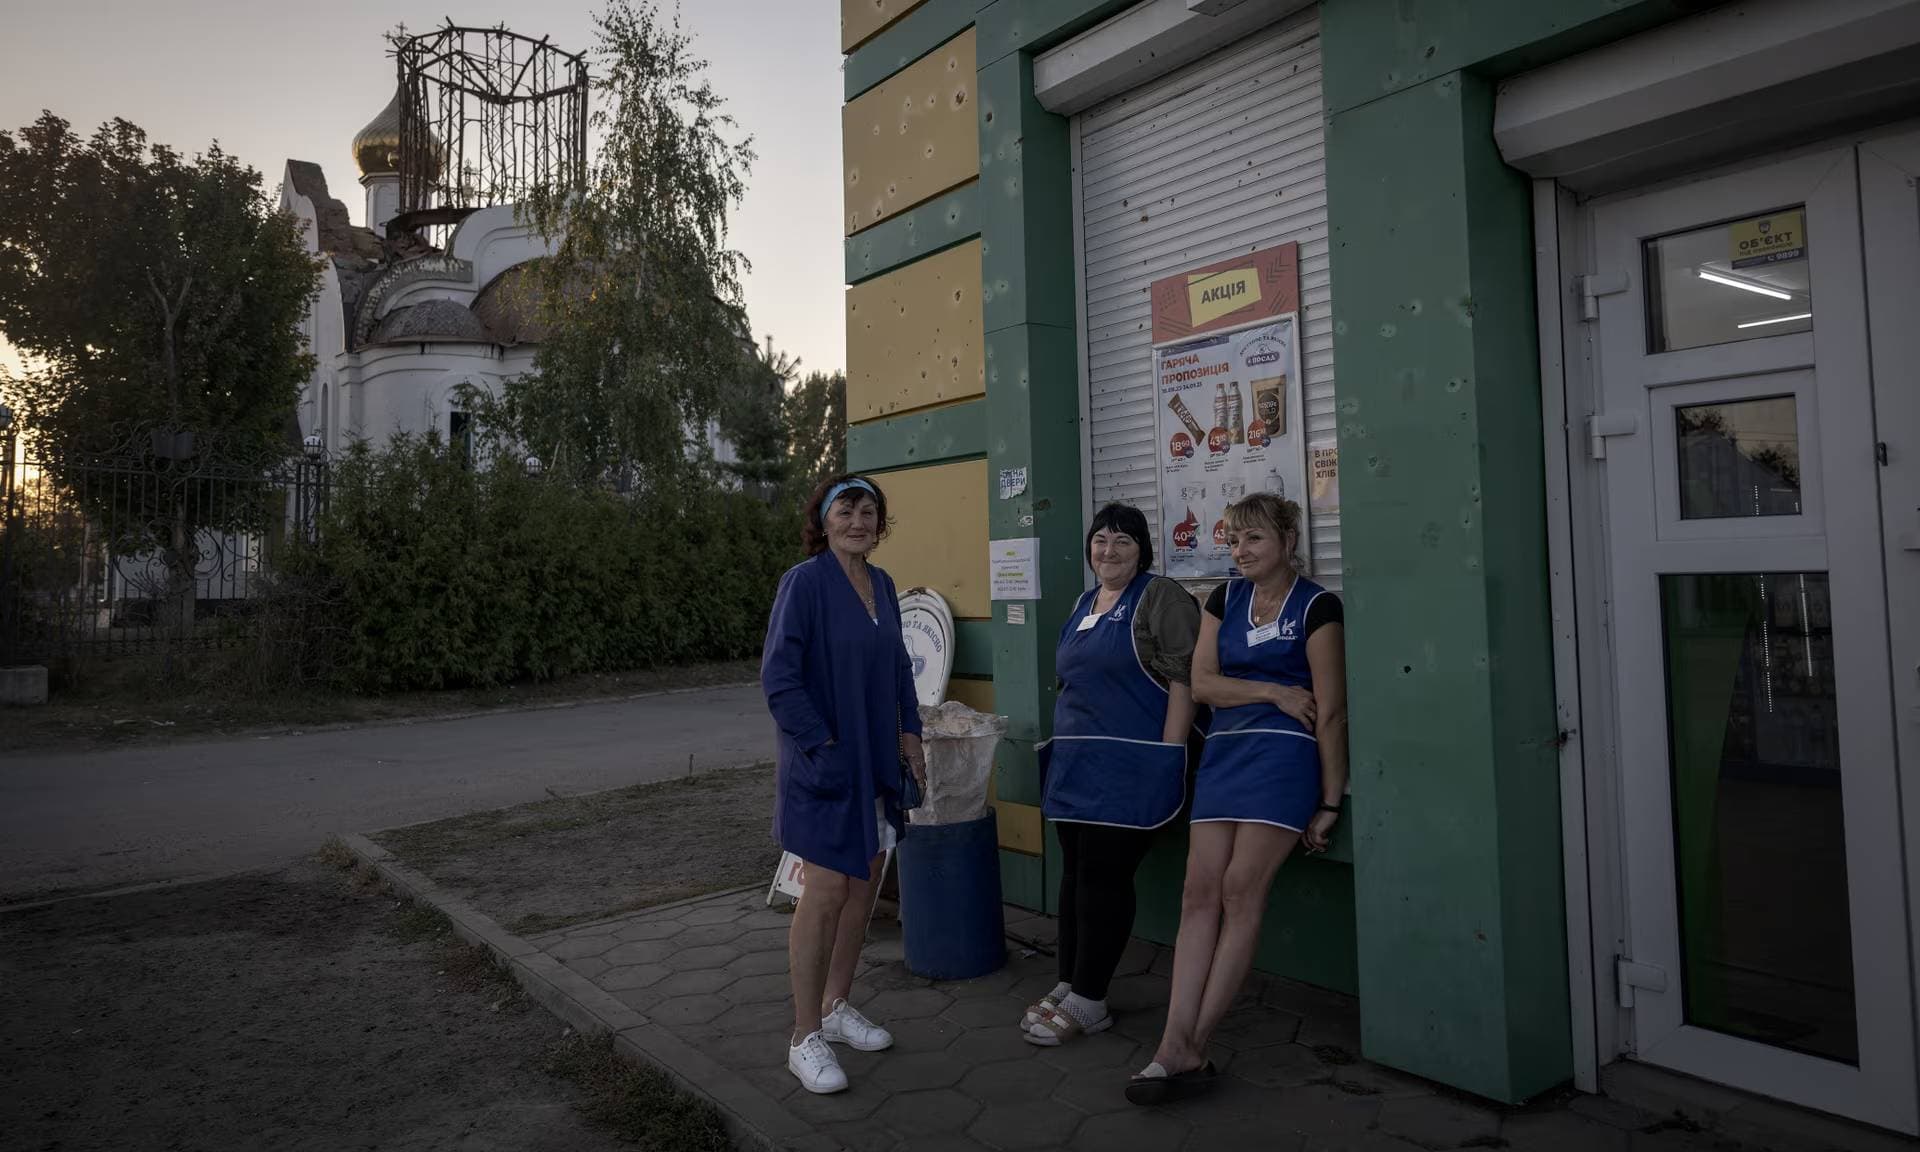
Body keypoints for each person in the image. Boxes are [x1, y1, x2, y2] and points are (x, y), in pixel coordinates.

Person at [1128, 492, 1348, 1104]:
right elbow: (1200, 684)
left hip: (1283, 760)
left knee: (1238, 892)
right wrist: (1273, 693)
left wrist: (1330, 800)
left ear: (1287, 542)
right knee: (1197, 893)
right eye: (1232, 539)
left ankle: (1186, 1046)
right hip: (1225, 754)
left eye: (1253, 538)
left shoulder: (1319, 606)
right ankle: (1178, 1041)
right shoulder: (1225, 599)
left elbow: (1329, 711)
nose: (1240, 550)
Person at [760, 474, 928, 1095]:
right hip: (826, 768)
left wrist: (910, 734)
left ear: (880, 524)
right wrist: (824, 747)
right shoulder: (803, 584)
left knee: (864, 888)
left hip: (877, 766)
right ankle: (804, 1036)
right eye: (846, 510)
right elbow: (780, 680)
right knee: (827, 891)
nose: (858, 520)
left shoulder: (882, 586)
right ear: (824, 520)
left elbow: (899, 669)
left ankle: (836, 1006)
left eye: (869, 512)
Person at [1023, 503, 1201, 1046]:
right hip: (1077, 767)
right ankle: (1068, 980)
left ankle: (1091, 1001)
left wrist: (1168, 757)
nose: (1109, 550)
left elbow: (1185, 680)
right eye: (1100, 539)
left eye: (1123, 541)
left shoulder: (1160, 597)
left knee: (1104, 878)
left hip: (1132, 765)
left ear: (1142, 549)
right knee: (1075, 876)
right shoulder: (1084, 602)